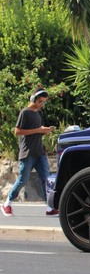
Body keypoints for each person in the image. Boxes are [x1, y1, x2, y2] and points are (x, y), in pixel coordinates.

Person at [1, 87, 58, 217]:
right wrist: (38, 130)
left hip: (39, 152)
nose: (42, 104)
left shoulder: (38, 113)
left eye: (43, 102)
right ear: (33, 99)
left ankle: (49, 207)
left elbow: (37, 131)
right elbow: (17, 131)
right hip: (27, 153)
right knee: (23, 179)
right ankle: (7, 203)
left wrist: (44, 131)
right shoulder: (25, 112)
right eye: (40, 101)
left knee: (46, 179)